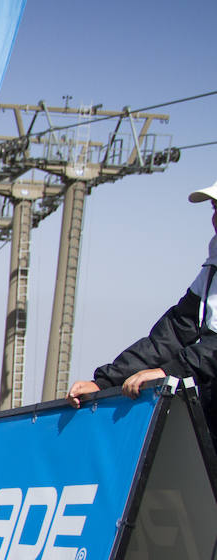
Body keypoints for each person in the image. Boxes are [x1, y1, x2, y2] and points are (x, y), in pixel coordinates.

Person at [69, 179, 217, 440]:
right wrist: (106, 382)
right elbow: (170, 334)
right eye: (215, 208)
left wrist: (172, 371)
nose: (215, 219)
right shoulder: (212, 269)